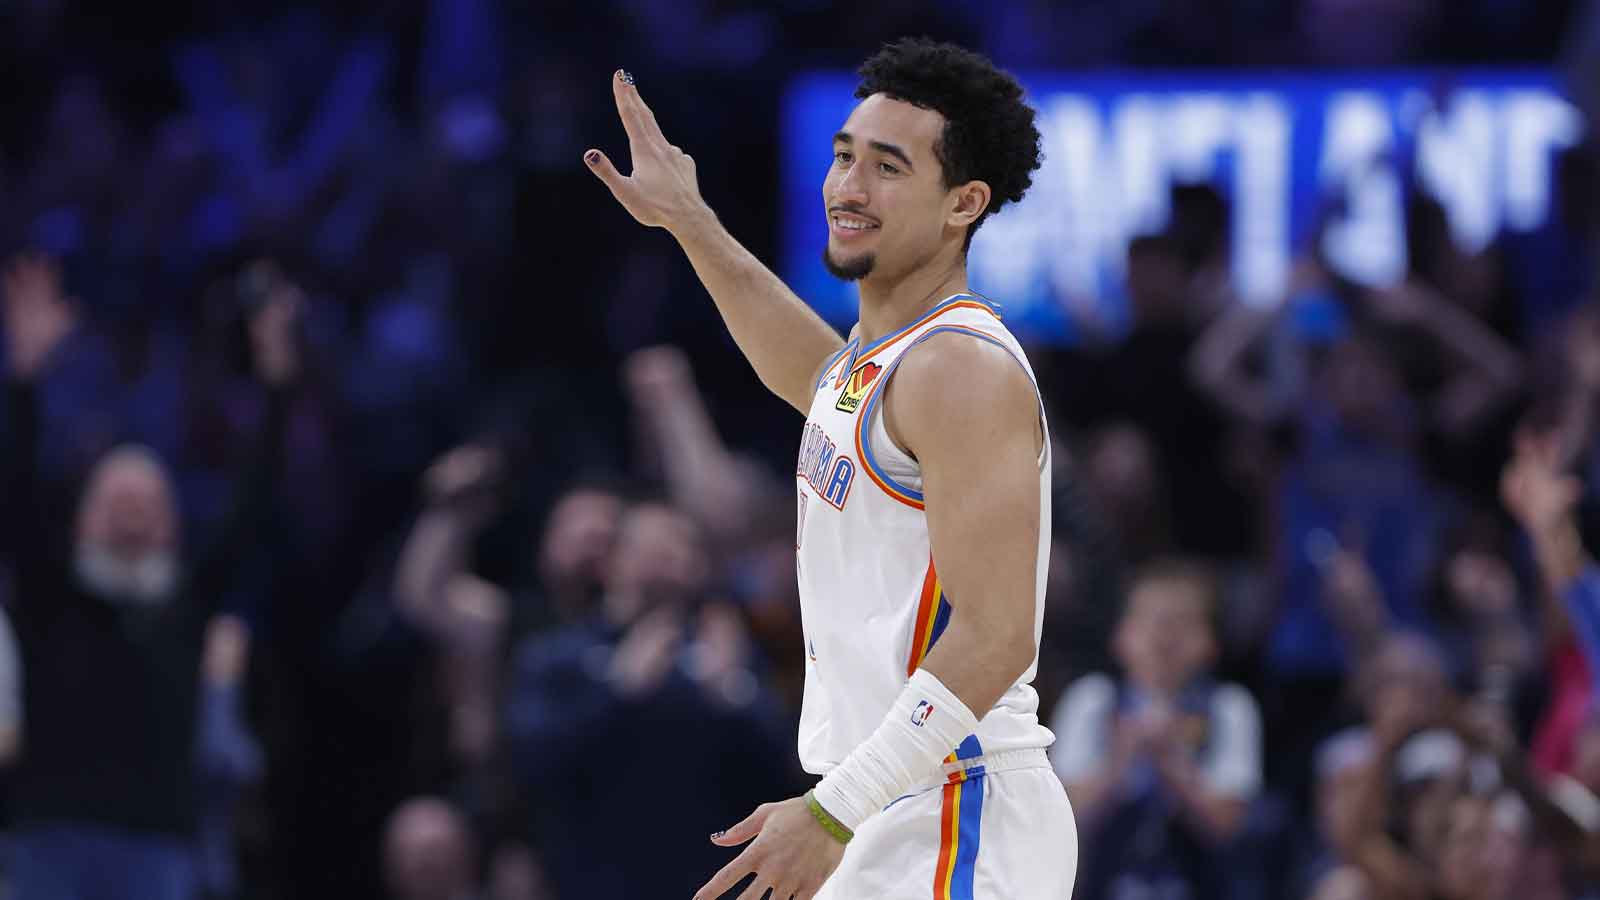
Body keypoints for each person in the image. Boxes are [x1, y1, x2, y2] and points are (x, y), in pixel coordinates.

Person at [585, 36, 1075, 899]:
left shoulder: (961, 368)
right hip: (886, 804)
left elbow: (998, 635)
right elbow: (815, 384)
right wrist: (691, 224)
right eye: (844, 156)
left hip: (957, 812)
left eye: (887, 168)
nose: (848, 188)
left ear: (964, 202)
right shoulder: (881, 356)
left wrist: (831, 811)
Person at [0, 253, 298, 900]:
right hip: (48, 842)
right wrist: (23, 378)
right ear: (81, 523)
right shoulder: (51, 600)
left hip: (158, 850)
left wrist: (277, 385)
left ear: (172, 528)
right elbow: (16, 498)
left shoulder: (187, 606)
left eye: (147, 504)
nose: (132, 514)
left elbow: (255, 506)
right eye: (117, 502)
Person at [1048, 560, 1263, 900]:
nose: (1164, 637)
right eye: (1150, 620)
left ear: (1210, 643)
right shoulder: (1092, 699)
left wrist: (1171, 761)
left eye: (1182, 623)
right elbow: (1063, 816)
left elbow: (1227, 825)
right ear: (1120, 637)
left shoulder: (1230, 707)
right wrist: (1122, 758)